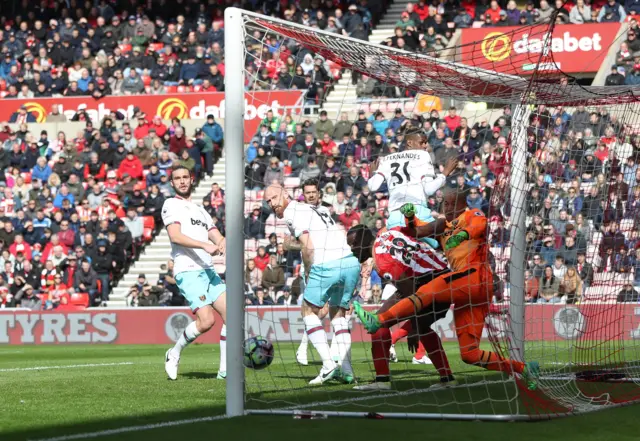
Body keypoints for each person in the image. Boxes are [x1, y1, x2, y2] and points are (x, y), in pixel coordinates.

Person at [353, 189, 540, 390]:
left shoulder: (471, 215)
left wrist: (462, 235)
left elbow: (480, 225)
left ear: (462, 205)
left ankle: (379, 320)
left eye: (452, 204)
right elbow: (418, 230)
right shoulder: (442, 227)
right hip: (465, 290)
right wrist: (409, 217)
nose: (448, 208)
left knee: (431, 289)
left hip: (475, 275)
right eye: (445, 204)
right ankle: (524, 368)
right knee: (470, 354)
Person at [264, 183, 360, 385]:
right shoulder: (319, 209)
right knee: (338, 315)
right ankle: (347, 370)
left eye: (273, 198)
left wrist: (308, 271)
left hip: (327, 264)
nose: (271, 204)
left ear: (285, 194)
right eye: (267, 201)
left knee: (308, 311)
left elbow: (308, 247)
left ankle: (328, 365)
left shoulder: (292, 212)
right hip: (350, 262)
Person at [346, 224, 455, 391]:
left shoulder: (383, 262)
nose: (352, 250)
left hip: (430, 284)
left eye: (353, 244)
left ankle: (382, 381)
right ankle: (447, 378)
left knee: (380, 323)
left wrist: (414, 328)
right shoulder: (388, 232)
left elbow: (412, 294)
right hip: (442, 276)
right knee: (417, 325)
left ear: (364, 239)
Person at [163, 165, 228, 381]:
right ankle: (174, 353)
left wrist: (223, 243)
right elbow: (175, 236)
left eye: (185, 177)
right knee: (206, 321)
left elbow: (216, 235)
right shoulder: (170, 205)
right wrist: (205, 245)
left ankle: (225, 371)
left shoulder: (201, 210)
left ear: (191, 180)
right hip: (188, 270)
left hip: (208, 270)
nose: (182, 181)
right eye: (177, 178)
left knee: (233, 316)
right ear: (172, 183)